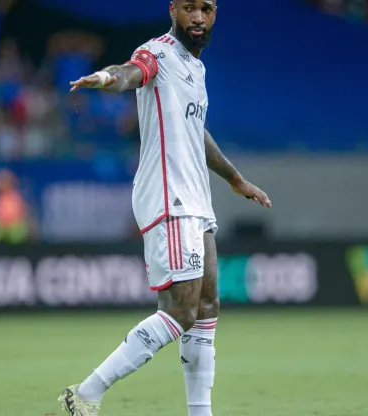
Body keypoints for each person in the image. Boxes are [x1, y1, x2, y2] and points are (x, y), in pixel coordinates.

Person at [58, 1, 271, 415]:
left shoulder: (197, 69)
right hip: (168, 195)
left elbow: (197, 130)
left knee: (207, 308)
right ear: (173, 9)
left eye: (206, 9)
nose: (197, 18)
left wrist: (234, 179)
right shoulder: (158, 52)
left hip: (196, 199)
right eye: (189, 7)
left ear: (215, 14)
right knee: (179, 311)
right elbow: (129, 73)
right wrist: (106, 78)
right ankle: (86, 392)